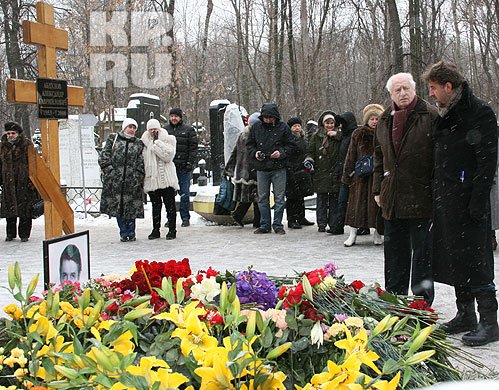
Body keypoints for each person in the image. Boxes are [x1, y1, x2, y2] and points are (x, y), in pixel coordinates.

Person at [422, 60, 499, 346]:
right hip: (447, 200)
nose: (430, 94)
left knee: (476, 260)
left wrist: (477, 201)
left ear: (448, 86)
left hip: (469, 203)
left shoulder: (479, 113)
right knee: (455, 258)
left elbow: (487, 162)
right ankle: (465, 314)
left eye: (433, 88)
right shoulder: (446, 114)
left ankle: (490, 321)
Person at [373, 72, 436, 305]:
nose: (402, 93)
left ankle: (421, 303)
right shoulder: (384, 120)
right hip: (392, 197)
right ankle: (394, 299)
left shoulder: (429, 115)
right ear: (390, 94)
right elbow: (378, 157)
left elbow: (439, 158)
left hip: (422, 196)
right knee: (395, 253)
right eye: (397, 90)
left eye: (406, 88)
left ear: (414, 89)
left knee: (422, 255)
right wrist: (377, 190)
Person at [246, 103, 297, 235]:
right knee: (263, 198)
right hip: (262, 167)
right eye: (266, 117)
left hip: (278, 167)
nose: (268, 120)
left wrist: (281, 153)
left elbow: (291, 145)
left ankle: (277, 224)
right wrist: (255, 153)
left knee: (279, 197)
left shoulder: (283, 128)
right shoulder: (256, 127)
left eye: (270, 117)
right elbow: (250, 144)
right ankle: (265, 224)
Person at [342, 104, 384, 246]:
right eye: (371, 118)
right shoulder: (358, 133)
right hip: (359, 176)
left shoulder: (384, 133)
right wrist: (347, 174)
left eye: (377, 118)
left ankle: (377, 233)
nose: (374, 121)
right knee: (355, 207)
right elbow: (350, 155)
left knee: (376, 207)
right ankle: (352, 234)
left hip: (377, 176)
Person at [99, 118, 145, 242]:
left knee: (131, 208)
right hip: (115, 181)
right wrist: (110, 171)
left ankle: (132, 232)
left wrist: (138, 176)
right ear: (124, 128)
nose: (132, 130)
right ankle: (123, 232)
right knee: (118, 208)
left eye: (134, 127)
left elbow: (141, 161)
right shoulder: (113, 139)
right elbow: (104, 156)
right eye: (130, 127)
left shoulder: (138, 143)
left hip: (132, 182)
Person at [142, 118, 179, 240]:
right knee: (155, 207)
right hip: (152, 179)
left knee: (170, 206)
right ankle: (155, 230)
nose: (153, 131)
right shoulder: (144, 142)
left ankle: (172, 229)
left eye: (155, 129)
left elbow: (168, 156)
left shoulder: (169, 139)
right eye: (150, 129)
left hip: (166, 179)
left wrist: (157, 143)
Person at [305, 111, 342, 233]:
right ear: (323, 123)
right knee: (321, 200)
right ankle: (321, 223)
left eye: (332, 123)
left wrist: (336, 135)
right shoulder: (316, 136)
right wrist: (309, 160)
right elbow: (311, 151)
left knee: (334, 201)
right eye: (327, 123)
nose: (329, 125)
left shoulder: (339, 136)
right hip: (321, 172)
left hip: (334, 172)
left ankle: (333, 223)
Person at [0, 122, 38, 242]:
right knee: (10, 210)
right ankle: (10, 234)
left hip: (24, 183)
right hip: (8, 183)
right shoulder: (2, 147)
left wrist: (32, 182)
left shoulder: (26, 145)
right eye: (8, 133)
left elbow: (34, 164)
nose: (10, 135)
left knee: (25, 211)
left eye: (13, 133)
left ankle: (24, 234)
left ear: (18, 134)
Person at [224, 112, 261, 227]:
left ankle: (239, 215)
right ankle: (256, 221)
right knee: (256, 197)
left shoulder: (243, 134)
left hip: (243, 171)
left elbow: (235, 152)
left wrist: (229, 168)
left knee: (248, 197)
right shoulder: (254, 136)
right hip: (251, 170)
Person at [165, 107, 198, 227]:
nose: (174, 118)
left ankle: (185, 217)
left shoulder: (188, 130)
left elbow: (193, 148)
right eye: (172, 116)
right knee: (169, 195)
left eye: (176, 116)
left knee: (184, 193)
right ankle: (170, 218)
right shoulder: (165, 130)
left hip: (183, 167)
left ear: (180, 117)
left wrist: (190, 163)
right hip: (169, 168)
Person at [331, 112, 358, 235]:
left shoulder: (353, 136)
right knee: (343, 201)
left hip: (352, 174)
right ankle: (338, 225)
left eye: (343, 123)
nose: (341, 126)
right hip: (346, 173)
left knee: (353, 202)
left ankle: (341, 225)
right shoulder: (346, 136)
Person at [285, 117, 313, 229]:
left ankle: (301, 217)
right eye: (294, 126)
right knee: (292, 197)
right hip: (292, 170)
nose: (297, 128)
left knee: (301, 196)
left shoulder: (302, 139)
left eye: (298, 126)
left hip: (302, 170)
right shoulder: (288, 140)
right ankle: (291, 219)